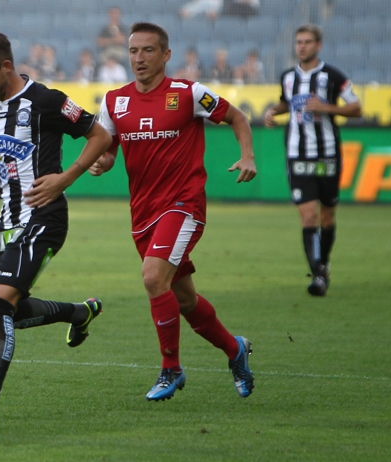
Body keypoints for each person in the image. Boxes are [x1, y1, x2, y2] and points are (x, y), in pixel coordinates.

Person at [0, 30, 112, 434]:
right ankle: (79, 312)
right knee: (2, 313)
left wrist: (64, 179)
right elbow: (5, 173)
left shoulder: (47, 101)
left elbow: (100, 136)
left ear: (6, 66)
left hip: (44, 217)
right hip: (6, 223)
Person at [93, 22, 257, 401]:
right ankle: (235, 350)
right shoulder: (114, 100)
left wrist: (247, 155)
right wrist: (104, 160)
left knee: (153, 278)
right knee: (182, 299)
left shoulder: (188, 94)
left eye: (148, 51)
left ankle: (171, 369)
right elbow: (107, 146)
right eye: (133, 51)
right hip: (143, 213)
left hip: (183, 205)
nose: (139, 58)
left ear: (166, 55)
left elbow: (238, 117)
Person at [264, 24, 362, 296]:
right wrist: (274, 111)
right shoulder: (287, 77)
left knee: (327, 216)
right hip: (297, 154)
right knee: (308, 217)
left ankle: (324, 262)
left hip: (327, 154)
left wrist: (327, 107)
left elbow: (357, 107)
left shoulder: (332, 76)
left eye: (307, 42)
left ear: (318, 45)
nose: (302, 46)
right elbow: (288, 102)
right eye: (298, 42)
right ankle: (318, 275)